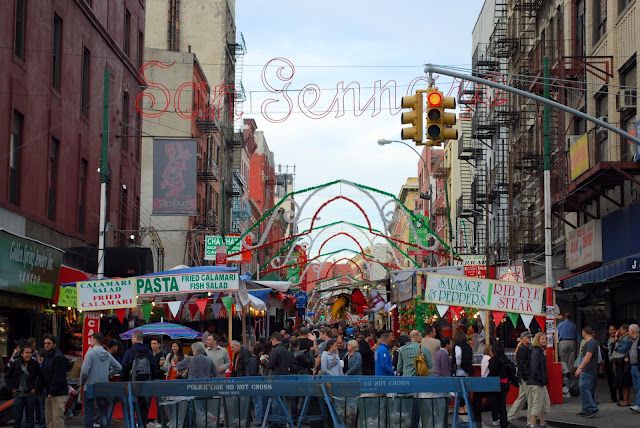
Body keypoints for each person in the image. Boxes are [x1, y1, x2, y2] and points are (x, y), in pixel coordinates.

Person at [80, 332, 122, 428]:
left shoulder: (90, 353)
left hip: (90, 386)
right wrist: (107, 374)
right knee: (103, 411)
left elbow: (84, 371)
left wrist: (82, 382)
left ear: (94, 340)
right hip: (103, 386)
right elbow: (119, 367)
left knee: (89, 411)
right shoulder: (107, 354)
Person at [121, 331, 158, 427]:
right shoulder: (149, 352)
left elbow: (124, 368)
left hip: (132, 385)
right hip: (147, 385)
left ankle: (132, 424)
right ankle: (142, 424)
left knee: (131, 406)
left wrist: (124, 382)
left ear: (134, 338)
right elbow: (155, 368)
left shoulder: (130, 352)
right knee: (144, 407)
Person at [176, 342, 216, 427]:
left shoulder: (190, 359)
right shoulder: (209, 360)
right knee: (204, 409)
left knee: (192, 409)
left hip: (192, 388)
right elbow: (215, 374)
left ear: (194, 350)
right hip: (206, 388)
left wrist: (183, 359)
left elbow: (178, 366)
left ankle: (193, 425)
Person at [6, 344, 42, 428]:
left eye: (30, 353)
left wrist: (35, 388)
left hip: (31, 395)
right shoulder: (15, 363)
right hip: (18, 395)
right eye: (27, 352)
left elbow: (41, 378)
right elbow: (7, 377)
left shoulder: (35, 364)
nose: (29, 354)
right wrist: (11, 389)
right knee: (17, 419)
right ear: (22, 354)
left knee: (30, 419)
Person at [42, 334, 69, 428]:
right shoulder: (47, 356)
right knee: (49, 419)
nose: (46, 345)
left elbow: (59, 377)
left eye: (49, 343)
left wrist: (51, 392)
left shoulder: (59, 357)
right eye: (45, 343)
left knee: (57, 419)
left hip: (58, 394)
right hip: (49, 392)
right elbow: (45, 374)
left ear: (54, 344)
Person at [507, 331, 532, 424]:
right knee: (530, 398)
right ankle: (530, 421)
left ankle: (510, 416)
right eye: (528, 337)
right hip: (525, 376)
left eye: (530, 337)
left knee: (522, 397)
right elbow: (522, 365)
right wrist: (526, 377)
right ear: (522, 339)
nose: (529, 338)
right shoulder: (523, 349)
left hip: (522, 376)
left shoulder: (524, 348)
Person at [575, 326, 600, 418]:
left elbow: (588, 356)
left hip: (588, 370)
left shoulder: (590, 343)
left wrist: (580, 368)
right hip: (590, 370)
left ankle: (592, 408)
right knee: (587, 389)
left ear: (584, 332)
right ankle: (586, 409)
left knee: (584, 388)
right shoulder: (592, 342)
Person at [488, 342, 513, 428]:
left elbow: (492, 371)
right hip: (505, 384)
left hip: (496, 385)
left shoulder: (494, 360)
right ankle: (504, 425)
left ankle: (495, 419)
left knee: (495, 405)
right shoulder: (505, 359)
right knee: (503, 407)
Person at [527, 332, 550, 427]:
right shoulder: (536, 351)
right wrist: (540, 379)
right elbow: (534, 368)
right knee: (537, 405)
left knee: (545, 404)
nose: (544, 340)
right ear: (538, 340)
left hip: (540, 382)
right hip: (537, 383)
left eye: (545, 339)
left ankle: (542, 423)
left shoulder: (539, 351)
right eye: (542, 339)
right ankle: (532, 425)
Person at [610, 324, 632, 406]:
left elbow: (623, 349)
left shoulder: (626, 338)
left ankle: (626, 401)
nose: (619, 331)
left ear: (625, 330)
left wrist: (616, 345)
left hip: (623, 362)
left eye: (621, 329)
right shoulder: (623, 338)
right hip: (621, 361)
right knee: (622, 382)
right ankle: (625, 400)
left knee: (624, 382)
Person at [603, 325, 619, 403]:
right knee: (610, 381)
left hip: (617, 363)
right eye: (610, 330)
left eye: (614, 329)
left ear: (617, 330)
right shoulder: (606, 339)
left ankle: (622, 397)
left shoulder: (619, 338)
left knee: (618, 381)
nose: (612, 331)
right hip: (608, 363)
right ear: (608, 331)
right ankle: (613, 398)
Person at [628, 324, 640, 413]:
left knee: (639, 386)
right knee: (636, 386)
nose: (628, 332)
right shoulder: (633, 341)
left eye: (629, 330)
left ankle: (638, 405)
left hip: (638, 366)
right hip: (633, 366)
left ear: (633, 331)